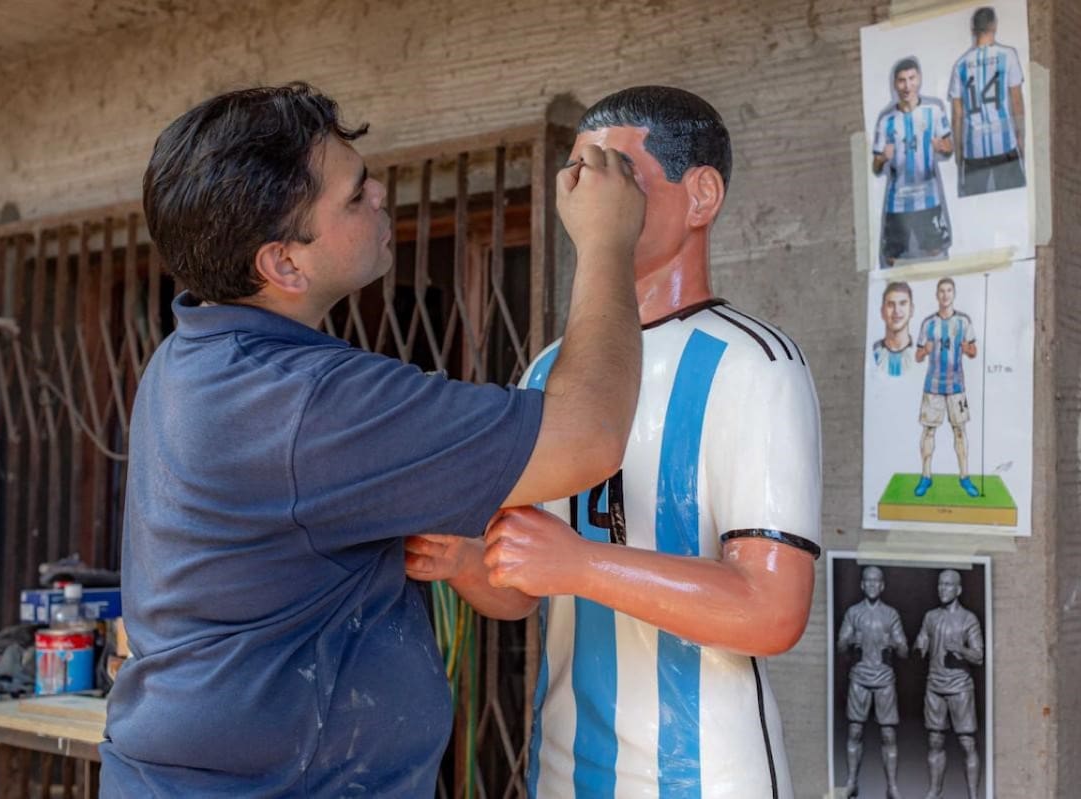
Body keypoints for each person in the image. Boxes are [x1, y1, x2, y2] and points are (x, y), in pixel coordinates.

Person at [99, 83, 647, 797]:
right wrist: (607, 243)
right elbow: (590, 435)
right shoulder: (304, 403)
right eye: (355, 197)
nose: (381, 193)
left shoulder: (194, 357)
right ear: (283, 264)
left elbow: (502, 586)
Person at [406, 85, 822, 798]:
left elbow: (771, 608)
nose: (587, 194)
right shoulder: (551, 368)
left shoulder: (754, 362)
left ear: (701, 196)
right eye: (578, 173)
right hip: (562, 759)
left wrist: (580, 563)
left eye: (617, 174)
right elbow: (525, 591)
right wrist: (469, 562)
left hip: (703, 773)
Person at [873, 58, 953, 267]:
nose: (907, 86)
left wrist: (944, 148)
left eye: (911, 78)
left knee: (935, 251)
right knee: (892, 258)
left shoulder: (934, 111)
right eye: (901, 81)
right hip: (897, 202)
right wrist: (882, 158)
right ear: (894, 84)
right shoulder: (886, 121)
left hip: (928, 198)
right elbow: (875, 166)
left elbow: (949, 147)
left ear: (919, 79)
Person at [836, 566, 908, 799]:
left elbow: (905, 651)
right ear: (862, 584)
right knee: (855, 731)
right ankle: (851, 781)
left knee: (889, 734)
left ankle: (892, 786)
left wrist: (896, 644)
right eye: (868, 581)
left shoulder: (891, 614)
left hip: (884, 678)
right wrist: (848, 640)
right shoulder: (853, 613)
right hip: (859, 677)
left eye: (876, 581)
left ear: (883, 585)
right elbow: (840, 647)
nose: (872, 585)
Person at [914, 569, 984, 799]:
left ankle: (973, 794)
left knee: (966, 742)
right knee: (935, 740)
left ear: (958, 589)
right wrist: (918, 648)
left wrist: (961, 649)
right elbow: (921, 642)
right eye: (940, 585)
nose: (942, 589)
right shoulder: (930, 617)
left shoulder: (968, 619)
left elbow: (979, 656)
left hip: (960, 687)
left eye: (948, 585)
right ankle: (935, 790)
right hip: (934, 686)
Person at [949, 6, 1027, 197]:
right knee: (1012, 204)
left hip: (973, 150)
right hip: (1005, 146)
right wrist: (1021, 138)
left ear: (972, 30)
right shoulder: (1008, 55)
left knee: (976, 210)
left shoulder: (960, 65)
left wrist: (959, 152)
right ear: (994, 26)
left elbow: (957, 115)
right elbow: (1016, 101)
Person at [913, 277, 979, 498]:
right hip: (933, 385)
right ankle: (925, 476)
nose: (945, 295)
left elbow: (973, 351)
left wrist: (967, 348)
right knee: (929, 430)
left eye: (949, 290)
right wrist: (925, 350)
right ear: (937, 295)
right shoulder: (928, 324)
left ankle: (965, 477)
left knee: (960, 430)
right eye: (941, 291)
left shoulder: (963, 322)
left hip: (956, 386)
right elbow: (918, 355)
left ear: (954, 294)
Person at [873, 281, 915, 377]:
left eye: (903, 303)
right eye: (891, 305)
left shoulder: (919, 352)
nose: (896, 311)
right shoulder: (874, 352)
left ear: (911, 310)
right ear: (882, 312)